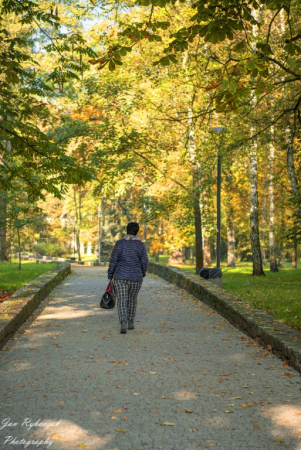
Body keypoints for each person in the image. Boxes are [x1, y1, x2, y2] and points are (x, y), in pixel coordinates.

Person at [108, 222, 148, 334]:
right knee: (132, 299)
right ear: (137, 232)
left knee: (121, 300)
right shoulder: (141, 245)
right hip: (136, 277)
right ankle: (131, 322)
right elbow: (144, 261)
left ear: (127, 230)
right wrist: (143, 273)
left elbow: (114, 260)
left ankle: (123, 323)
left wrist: (110, 275)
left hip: (120, 277)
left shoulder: (120, 243)